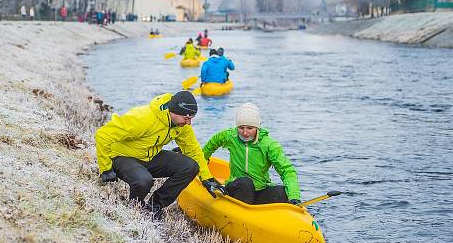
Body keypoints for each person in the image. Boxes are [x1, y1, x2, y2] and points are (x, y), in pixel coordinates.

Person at [96, 90, 226, 219]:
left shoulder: (181, 126)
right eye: (186, 118)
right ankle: (135, 206)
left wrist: (207, 179)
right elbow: (103, 135)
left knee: (190, 166)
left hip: (150, 156)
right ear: (173, 111)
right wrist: (105, 168)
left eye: (191, 119)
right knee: (144, 181)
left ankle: (155, 206)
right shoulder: (142, 118)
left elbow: (194, 150)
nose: (189, 123)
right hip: (123, 157)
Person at [202, 103, 300, 205]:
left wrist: (294, 197)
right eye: (241, 128)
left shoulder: (270, 145)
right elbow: (210, 146)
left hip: (259, 190)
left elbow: (287, 171)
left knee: (282, 192)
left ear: (257, 127)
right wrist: (201, 166)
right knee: (245, 183)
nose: (245, 132)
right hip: (236, 188)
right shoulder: (229, 136)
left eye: (249, 128)